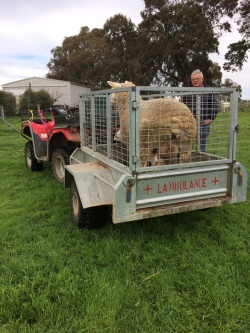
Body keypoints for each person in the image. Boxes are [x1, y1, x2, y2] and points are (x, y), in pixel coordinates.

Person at [182, 69, 218, 152]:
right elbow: (183, 106)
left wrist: (211, 119)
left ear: (202, 79)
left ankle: (201, 163)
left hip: (203, 123)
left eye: (197, 79)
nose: (195, 81)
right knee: (187, 148)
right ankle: (188, 163)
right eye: (193, 79)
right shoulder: (187, 91)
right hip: (189, 124)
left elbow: (214, 107)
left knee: (201, 148)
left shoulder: (209, 91)